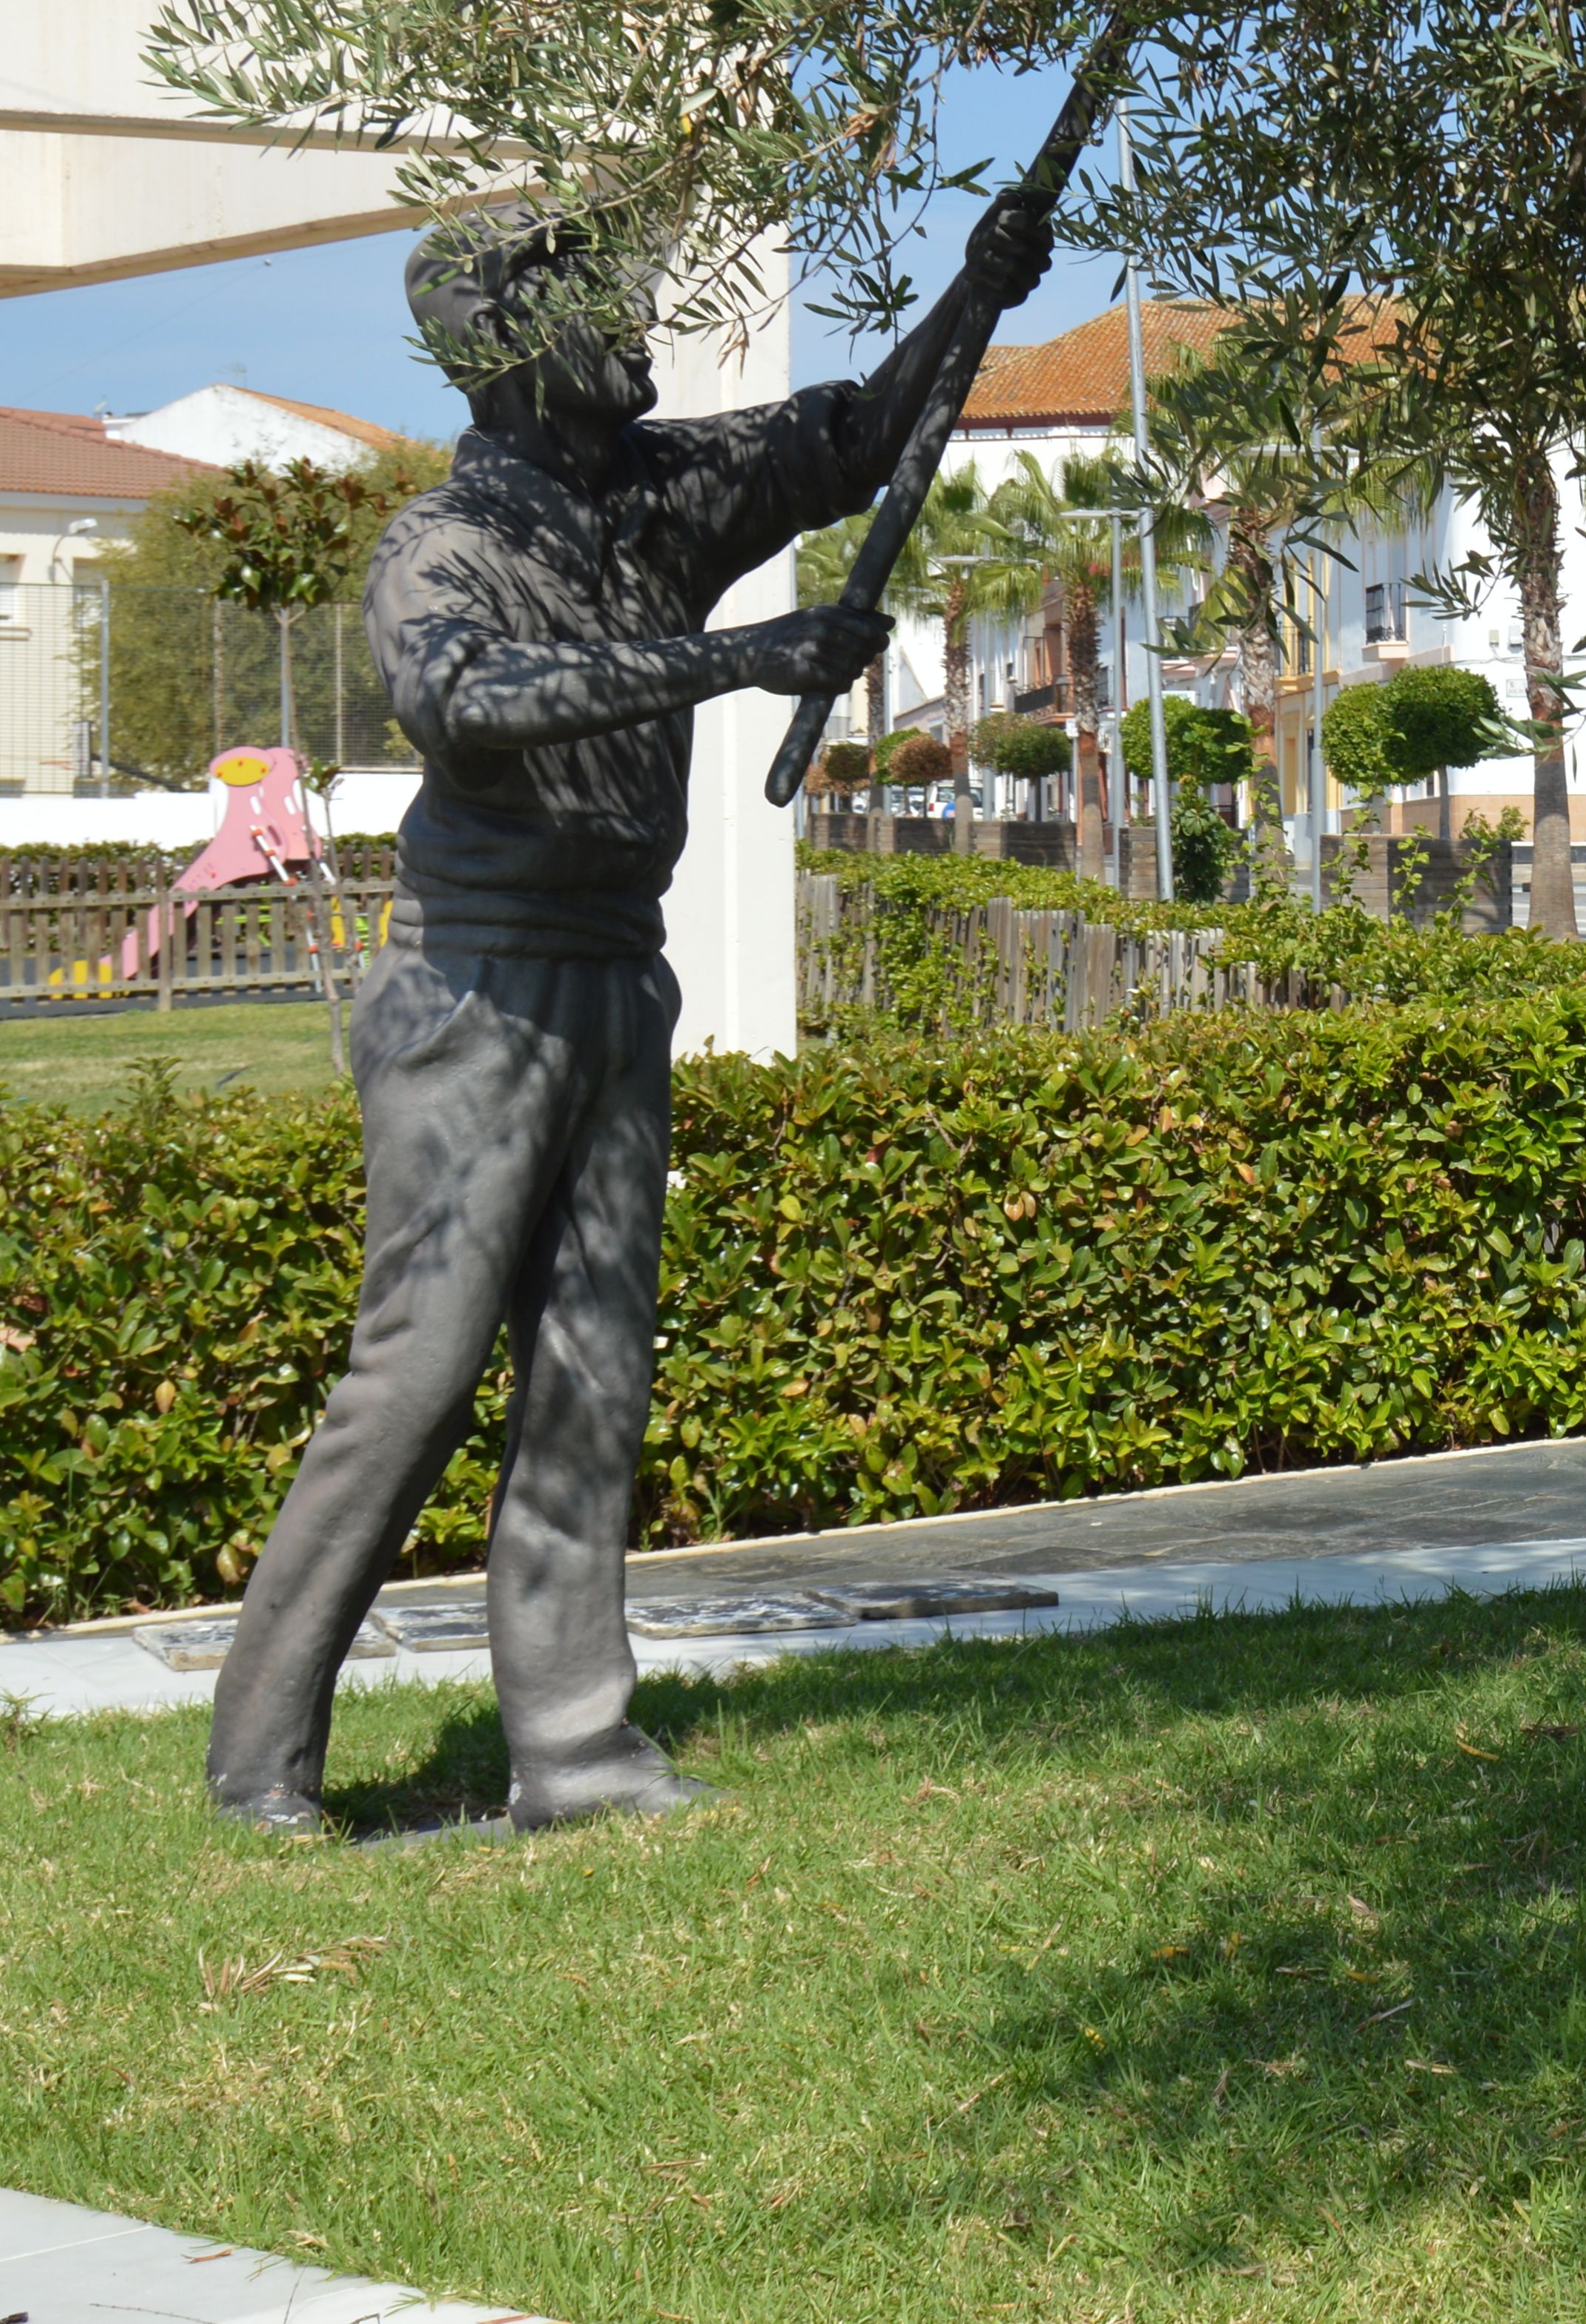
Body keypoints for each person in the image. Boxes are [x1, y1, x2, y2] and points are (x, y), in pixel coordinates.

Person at [203, 190, 1050, 1835]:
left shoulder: (664, 494)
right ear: (513, 344)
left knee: (594, 1365)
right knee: (425, 1371)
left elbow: (866, 431)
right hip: (474, 987)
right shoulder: (445, 546)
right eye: (603, 297)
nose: (644, 316)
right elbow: (465, 700)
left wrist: (976, 286)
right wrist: (730, 658)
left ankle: (576, 1753)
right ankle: (260, 1757)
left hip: (614, 971)